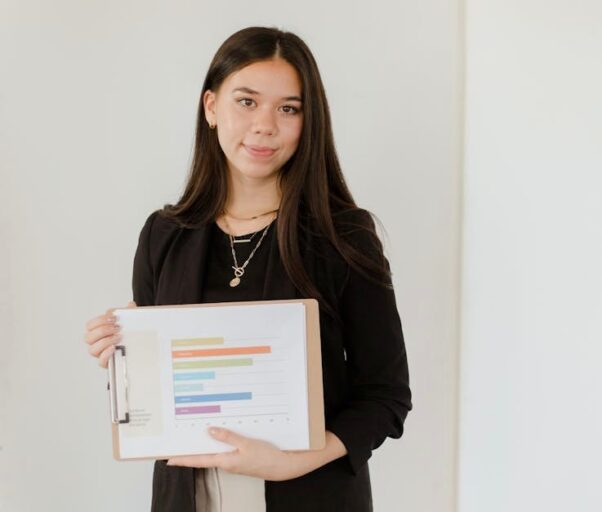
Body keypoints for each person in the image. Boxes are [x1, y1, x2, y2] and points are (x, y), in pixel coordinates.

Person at [83, 26, 412, 512]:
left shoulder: (344, 237)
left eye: (288, 109)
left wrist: (293, 461)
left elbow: (386, 396)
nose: (265, 125)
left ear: (308, 122)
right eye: (247, 102)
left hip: (310, 494)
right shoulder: (164, 235)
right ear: (211, 107)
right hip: (186, 497)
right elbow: (157, 401)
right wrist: (122, 356)